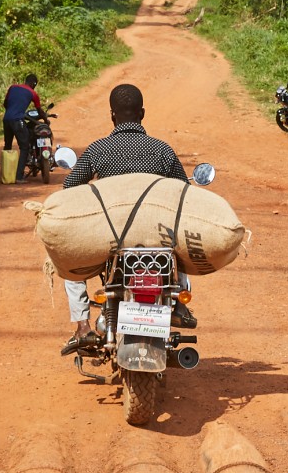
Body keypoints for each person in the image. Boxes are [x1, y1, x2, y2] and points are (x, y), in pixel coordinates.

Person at [60, 83, 195, 353]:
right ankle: (178, 303)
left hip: (109, 238)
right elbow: (184, 193)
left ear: (112, 115)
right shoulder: (162, 151)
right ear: (142, 114)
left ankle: (83, 326)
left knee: (69, 262)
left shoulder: (99, 150)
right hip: (155, 239)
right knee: (182, 246)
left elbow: (68, 188)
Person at [4, 73, 44, 172]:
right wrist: (46, 120)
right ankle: (19, 176)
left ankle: (6, 173)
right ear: (33, 84)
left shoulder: (13, 87)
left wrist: (12, 111)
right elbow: (39, 111)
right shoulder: (33, 93)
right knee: (24, 147)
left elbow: (5, 103)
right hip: (17, 121)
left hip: (6, 119)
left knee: (7, 146)